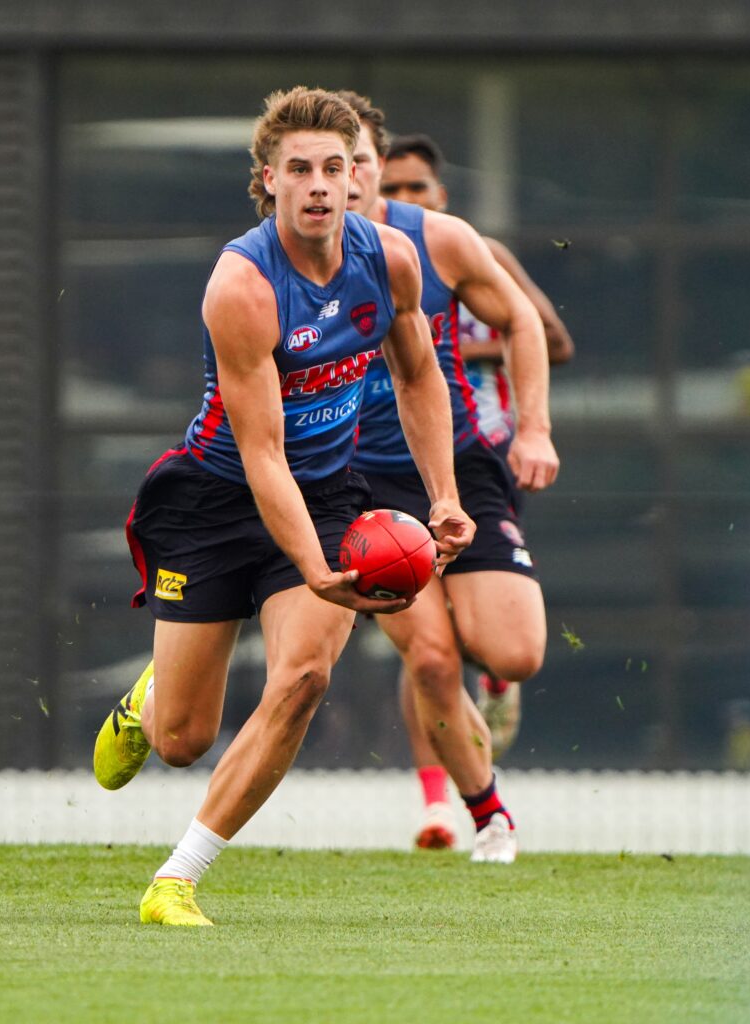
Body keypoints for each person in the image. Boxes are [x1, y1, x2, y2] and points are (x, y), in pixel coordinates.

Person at [91, 86, 472, 926]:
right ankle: (149, 704)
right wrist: (311, 566)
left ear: (359, 176)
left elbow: (418, 375)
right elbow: (262, 455)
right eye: (300, 169)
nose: (320, 185)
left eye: (336, 167)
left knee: (303, 676)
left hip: (329, 491)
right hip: (216, 498)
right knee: (183, 741)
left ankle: (176, 879)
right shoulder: (242, 285)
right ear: (269, 179)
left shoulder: (391, 261)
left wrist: (443, 495)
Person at [339, 94, 558, 861]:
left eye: (355, 161)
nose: (341, 179)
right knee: (430, 660)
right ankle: (489, 816)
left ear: (375, 164)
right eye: (321, 165)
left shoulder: (441, 240)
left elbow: (526, 321)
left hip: (460, 463)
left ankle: (491, 677)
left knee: (515, 653)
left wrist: (534, 427)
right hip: (359, 482)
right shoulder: (276, 260)